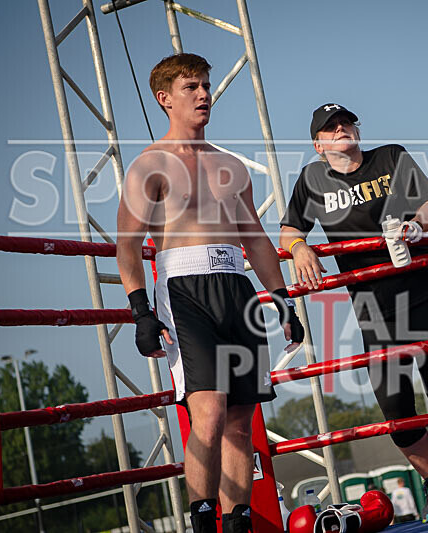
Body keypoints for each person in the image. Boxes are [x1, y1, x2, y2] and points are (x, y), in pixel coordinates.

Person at [116, 53, 303, 533]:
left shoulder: (229, 165)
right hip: (184, 290)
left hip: (236, 286)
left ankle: (238, 522)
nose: (203, 95)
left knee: (242, 418)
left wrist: (282, 299)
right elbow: (129, 245)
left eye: (205, 85)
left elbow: (256, 238)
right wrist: (140, 311)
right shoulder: (148, 165)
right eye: (191, 87)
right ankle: (203, 522)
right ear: (165, 99)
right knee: (211, 411)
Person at [279, 103, 428, 523]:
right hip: (372, 303)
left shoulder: (390, 156)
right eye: (331, 128)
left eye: (346, 122)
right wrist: (299, 248)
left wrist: (415, 225)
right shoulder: (313, 179)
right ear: (318, 145)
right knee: (395, 404)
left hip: (426, 289)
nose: (341, 129)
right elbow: (290, 228)